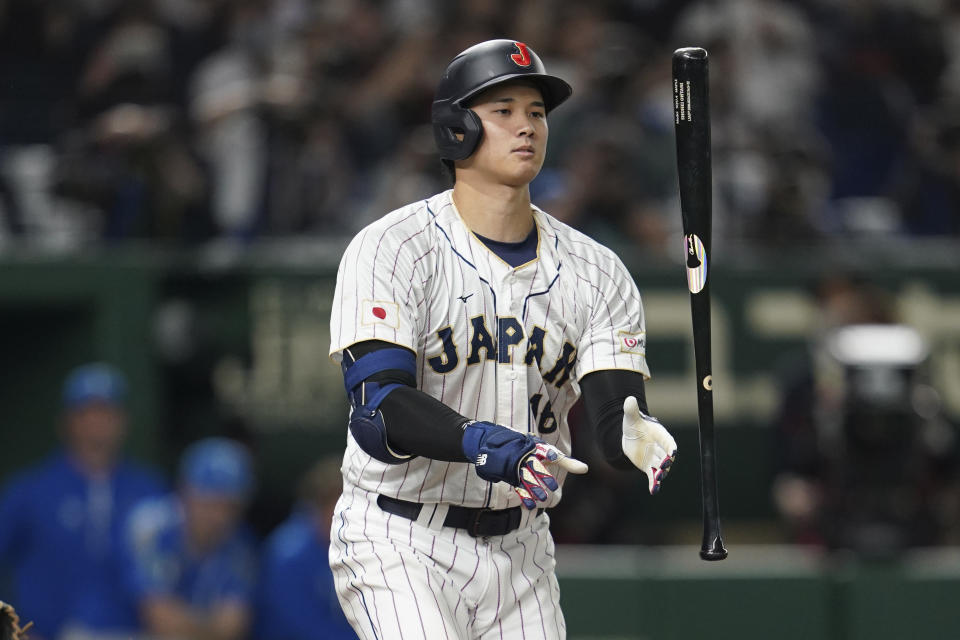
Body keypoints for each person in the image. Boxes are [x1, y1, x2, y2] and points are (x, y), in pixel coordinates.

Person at [328, 39, 678, 638]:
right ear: (456, 131)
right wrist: (483, 443)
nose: (527, 127)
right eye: (504, 110)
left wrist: (635, 435)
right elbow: (377, 415)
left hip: (522, 551)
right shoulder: (393, 247)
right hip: (401, 536)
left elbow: (609, 424)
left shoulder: (597, 269)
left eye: (537, 113)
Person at [0, 363, 167, 640]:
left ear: (124, 420)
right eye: (86, 412)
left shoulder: (149, 490)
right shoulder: (30, 491)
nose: (97, 423)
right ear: (66, 421)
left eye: (107, 412)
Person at [121, 437, 257, 640]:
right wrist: (209, 623)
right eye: (209, 503)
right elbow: (159, 619)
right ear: (184, 492)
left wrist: (183, 620)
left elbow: (231, 628)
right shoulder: (150, 527)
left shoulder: (241, 544)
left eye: (229, 506)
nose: (219, 516)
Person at [255, 458, 355, 639]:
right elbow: (305, 628)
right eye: (340, 505)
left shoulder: (351, 546)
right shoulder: (288, 552)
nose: (350, 517)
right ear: (318, 506)